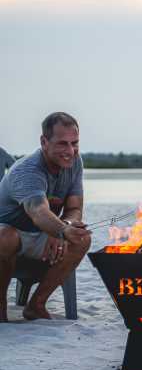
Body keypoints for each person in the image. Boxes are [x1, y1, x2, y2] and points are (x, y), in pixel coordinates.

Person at [0, 112, 91, 322]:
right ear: (44, 142)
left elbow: (75, 207)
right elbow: (38, 212)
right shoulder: (28, 170)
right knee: (5, 236)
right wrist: (60, 230)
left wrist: (65, 227)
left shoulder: (75, 162)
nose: (70, 151)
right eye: (62, 144)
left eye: (74, 143)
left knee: (82, 238)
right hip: (7, 230)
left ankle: (36, 305)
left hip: (40, 233)